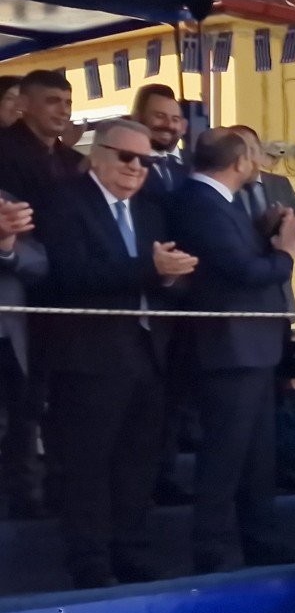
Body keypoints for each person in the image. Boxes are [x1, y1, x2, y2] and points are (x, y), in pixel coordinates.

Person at [31, 120, 189, 585]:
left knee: (137, 463)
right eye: (126, 157)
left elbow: (161, 277)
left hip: (145, 352)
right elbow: (69, 276)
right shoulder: (64, 203)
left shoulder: (151, 211)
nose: (136, 168)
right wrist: (149, 269)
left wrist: (174, 276)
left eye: (146, 160)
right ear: (97, 154)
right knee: (88, 465)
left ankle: (130, 550)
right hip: (87, 358)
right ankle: (91, 561)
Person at [170, 127, 295, 573]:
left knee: (256, 456)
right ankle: (210, 549)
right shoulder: (198, 200)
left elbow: (238, 253)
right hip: (228, 348)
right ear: (241, 161)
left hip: (252, 346)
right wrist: (285, 253)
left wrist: (265, 232)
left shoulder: (221, 203)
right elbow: (239, 270)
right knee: (225, 456)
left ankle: (260, 540)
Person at [0, 183, 44, 522]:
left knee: (22, 418)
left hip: (9, 334)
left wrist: (7, 245)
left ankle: (24, 498)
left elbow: (39, 262)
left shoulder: (8, 201)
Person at [0, 69, 84, 201]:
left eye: (68, 103)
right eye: (52, 101)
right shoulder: (5, 152)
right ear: (23, 104)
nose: (64, 111)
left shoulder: (75, 160)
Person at [130, 84, 187, 196]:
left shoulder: (192, 165)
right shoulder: (123, 163)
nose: (169, 125)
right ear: (137, 118)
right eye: (160, 116)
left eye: (175, 119)